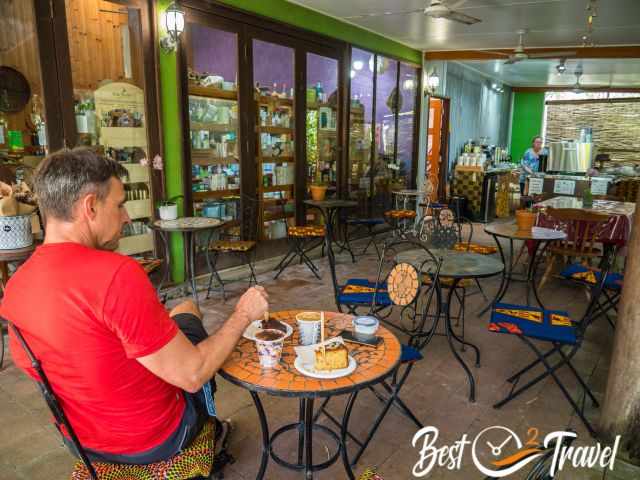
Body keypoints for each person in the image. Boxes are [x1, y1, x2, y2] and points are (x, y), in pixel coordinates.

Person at [0, 148, 269, 464]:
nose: (126, 216)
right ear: (90, 206)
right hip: (156, 439)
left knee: (184, 311)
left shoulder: (15, 288)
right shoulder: (114, 275)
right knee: (195, 340)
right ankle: (209, 431)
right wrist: (243, 315)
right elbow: (193, 374)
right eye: (119, 204)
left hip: (82, 442)